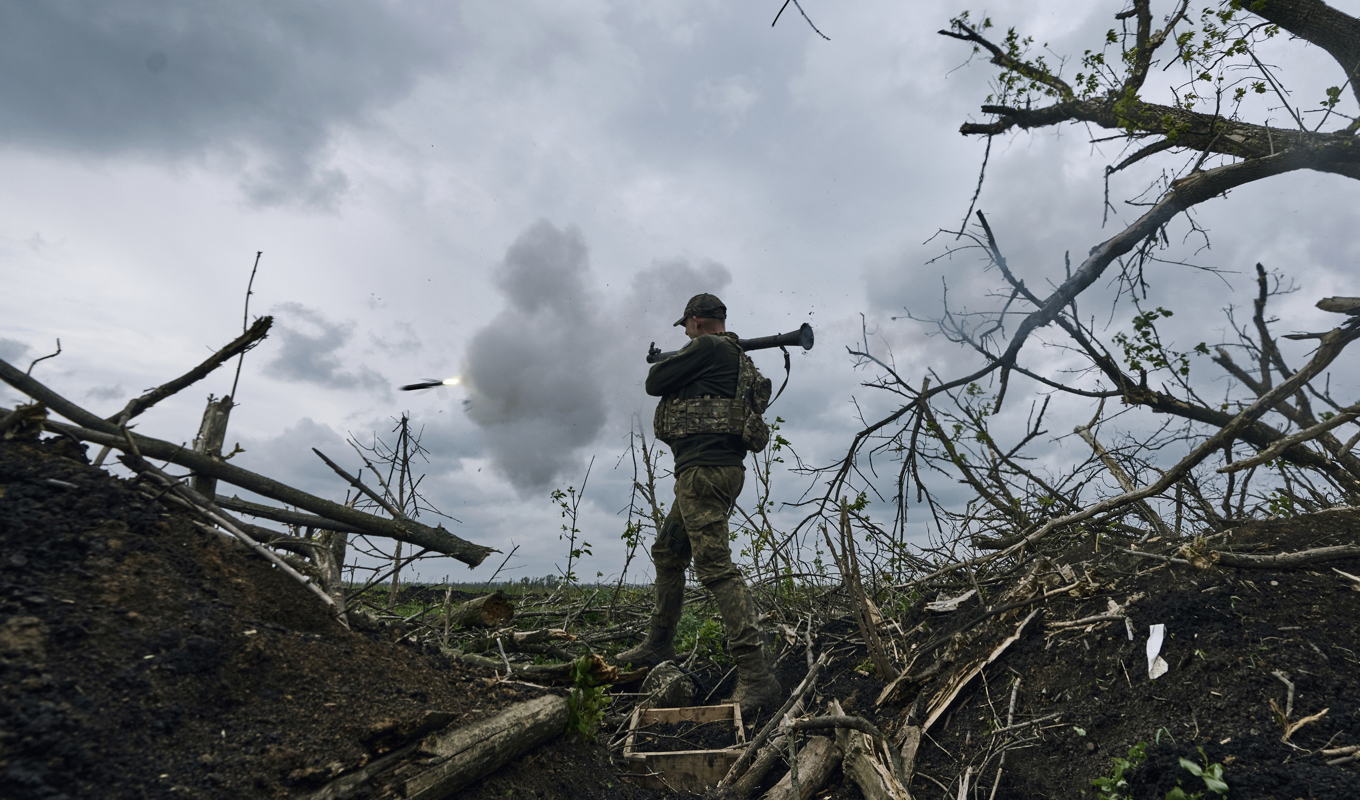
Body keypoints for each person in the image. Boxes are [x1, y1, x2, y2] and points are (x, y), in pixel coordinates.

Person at [617, 293, 781, 715]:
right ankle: (658, 645)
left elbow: (655, 382)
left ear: (695, 321)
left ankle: (757, 675)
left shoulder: (708, 347)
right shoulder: (734, 356)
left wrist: (681, 356)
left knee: (715, 567)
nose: (686, 332)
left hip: (704, 473)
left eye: (686, 326)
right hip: (712, 472)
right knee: (669, 554)